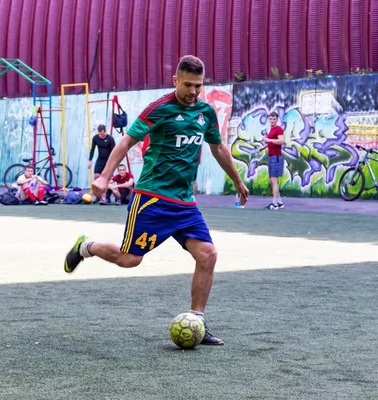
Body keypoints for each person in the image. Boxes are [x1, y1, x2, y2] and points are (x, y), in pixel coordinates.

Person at [64, 55, 249, 345]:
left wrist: (237, 181)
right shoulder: (159, 109)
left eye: (198, 86)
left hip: (185, 203)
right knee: (129, 260)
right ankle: (87, 247)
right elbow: (126, 141)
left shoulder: (205, 112)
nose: (193, 92)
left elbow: (218, 148)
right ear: (175, 80)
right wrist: (103, 177)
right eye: (187, 84)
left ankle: (197, 322)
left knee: (208, 255)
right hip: (152, 198)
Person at [259, 111, 285, 209]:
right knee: (272, 180)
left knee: (274, 180)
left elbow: (281, 141)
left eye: (274, 119)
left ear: (277, 120)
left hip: (276, 157)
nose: (272, 120)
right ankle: (280, 202)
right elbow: (273, 142)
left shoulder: (278, 129)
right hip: (271, 156)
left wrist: (268, 140)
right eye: (270, 119)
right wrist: (264, 147)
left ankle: (274, 203)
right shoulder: (272, 130)